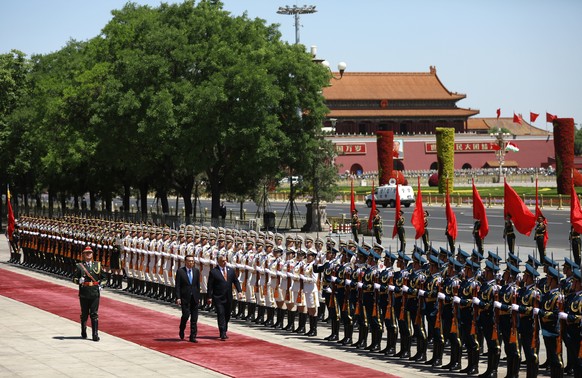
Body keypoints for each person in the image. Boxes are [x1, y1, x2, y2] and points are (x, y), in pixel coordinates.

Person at [207, 251, 243, 340]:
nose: (224, 262)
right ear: (218, 261)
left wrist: (239, 291)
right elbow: (210, 286)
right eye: (222, 261)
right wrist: (209, 297)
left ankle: (224, 329)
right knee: (221, 314)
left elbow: (236, 281)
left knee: (227, 314)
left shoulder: (230, 270)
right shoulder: (213, 272)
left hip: (228, 297)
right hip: (218, 297)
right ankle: (222, 332)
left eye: (225, 260)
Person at [73, 246, 104, 342]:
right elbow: (74, 279)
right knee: (85, 313)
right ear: (83, 255)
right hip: (84, 292)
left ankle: (95, 334)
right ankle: (83, 330)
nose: (88, 254)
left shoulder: (97, 265)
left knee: (94, 314)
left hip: (94, 292)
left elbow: (104, 278)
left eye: (90, 253)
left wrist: (101, 285)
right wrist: (79, 281)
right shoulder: (79, 266)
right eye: (86, 253)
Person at [175, 254, 201, 342]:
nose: (191, 263)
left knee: (194, 318)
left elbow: (197, 285)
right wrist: (178, 297)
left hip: (194, 297)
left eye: (192, 261)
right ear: (185, 262)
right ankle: (182, 328)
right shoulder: (180, 271)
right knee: (186, 315)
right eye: (189, 261)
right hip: (185, 297)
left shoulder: (196, 271)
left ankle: (193, 336)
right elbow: (177, 286)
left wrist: (198, 297)